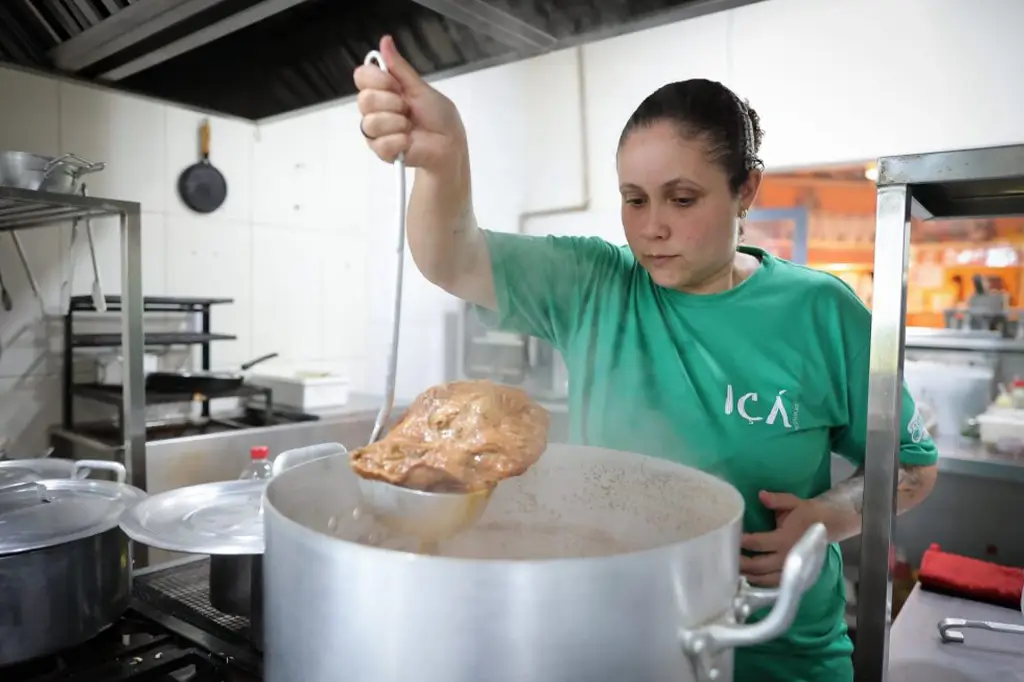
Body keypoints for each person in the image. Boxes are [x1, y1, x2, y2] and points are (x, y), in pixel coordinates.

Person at [354, 35, 939, 682]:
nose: (650, 227)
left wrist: (830, 516)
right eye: (634, 199)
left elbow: (910, 469)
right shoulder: (595, 284)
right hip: (613, 642)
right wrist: (444, 160)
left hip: (779, 652)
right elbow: (452, 257)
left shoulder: (821, 312)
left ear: (746, 190)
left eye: (681, 199)